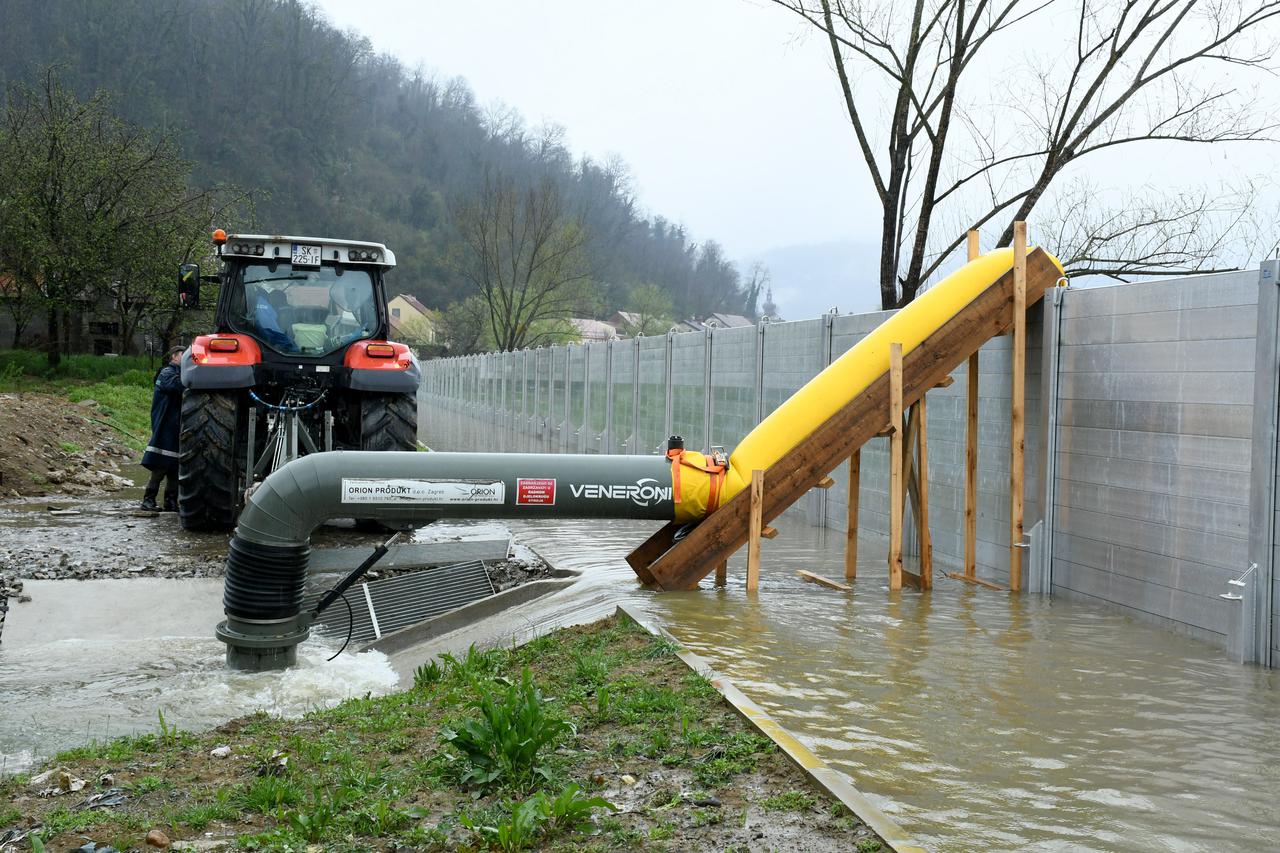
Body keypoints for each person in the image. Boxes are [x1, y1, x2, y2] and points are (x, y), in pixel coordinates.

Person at [140, 346, 184, 512]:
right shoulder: (166, 373)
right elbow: (178, 387)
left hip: (174, 426)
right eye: (182, 355)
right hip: (165, 424)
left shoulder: (176, 373)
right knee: (161, 464)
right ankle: (148, 500)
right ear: (174, 356)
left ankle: (171, 502)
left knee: (175, 466)